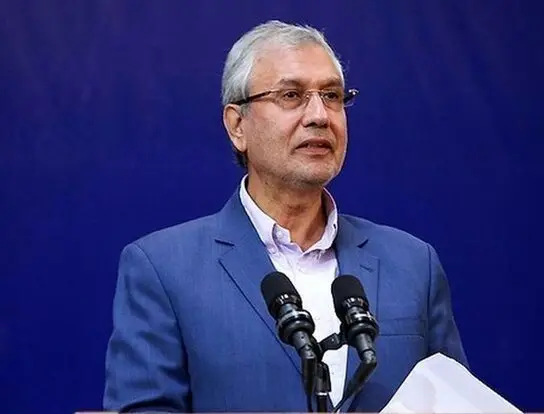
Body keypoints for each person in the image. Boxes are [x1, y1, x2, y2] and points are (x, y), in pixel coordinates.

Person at [103, 20, 467, 413]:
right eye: (292, 95)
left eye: (332, 96)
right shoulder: (163, 269)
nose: (319, 115)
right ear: (237, 125)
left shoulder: (413, 264)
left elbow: (457, 402)